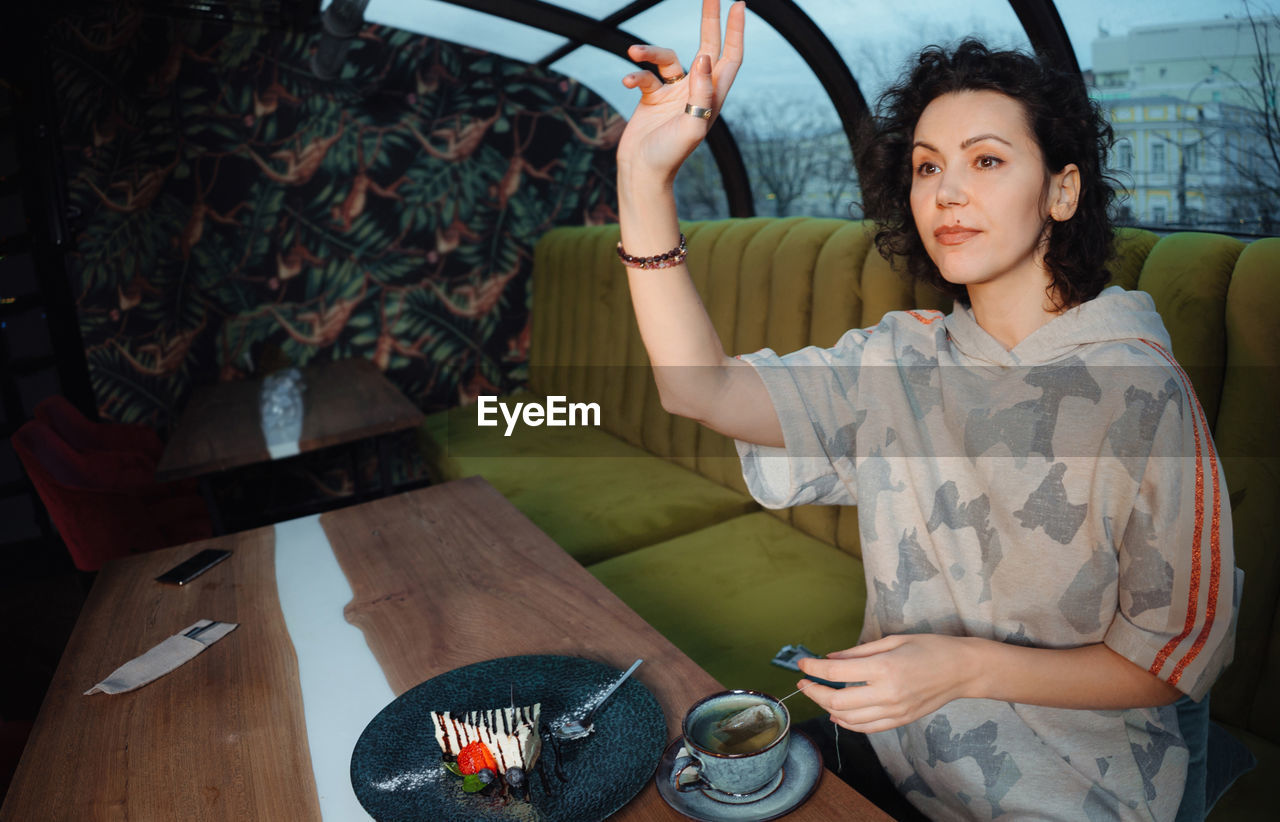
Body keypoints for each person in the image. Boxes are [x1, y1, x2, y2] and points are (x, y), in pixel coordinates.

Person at [615, 1, 1239, 820]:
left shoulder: (1141, 389)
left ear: (1062, 189)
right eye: (926, 166)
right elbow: (699, 388)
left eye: (986, 162)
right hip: (901, 768)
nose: (947, 191)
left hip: (1076, 797)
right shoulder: (898, 360)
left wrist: (959, 668)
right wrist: (643, 176)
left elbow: (1173, 663)